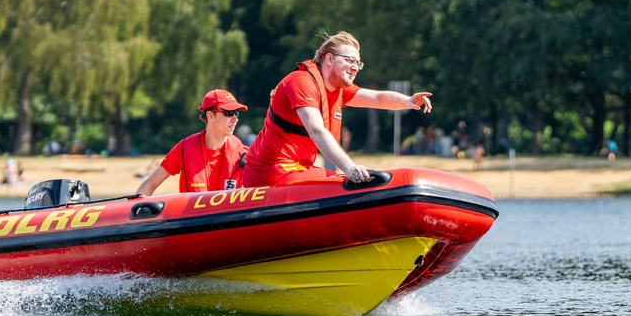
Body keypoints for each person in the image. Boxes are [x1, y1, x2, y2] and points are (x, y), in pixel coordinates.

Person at [242, 31, 432, 187]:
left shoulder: (338, 89)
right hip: (271, 172)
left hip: (296, 170)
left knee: (336, 179)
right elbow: (316, 129)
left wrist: (408, 100)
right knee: (337, 183)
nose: (355, 67)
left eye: (358, 63)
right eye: (350, 60)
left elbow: (378, 97)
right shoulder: (301, 81)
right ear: (330, 58)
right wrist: (349, 167)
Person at [136, 89, 251, 196]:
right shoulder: (184, 148)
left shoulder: (243, 153)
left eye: (236, 113)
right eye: (228, 113)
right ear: (210, 115)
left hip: (229, 218)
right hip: (193, 217)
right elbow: (150, 184)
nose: (235, 118)